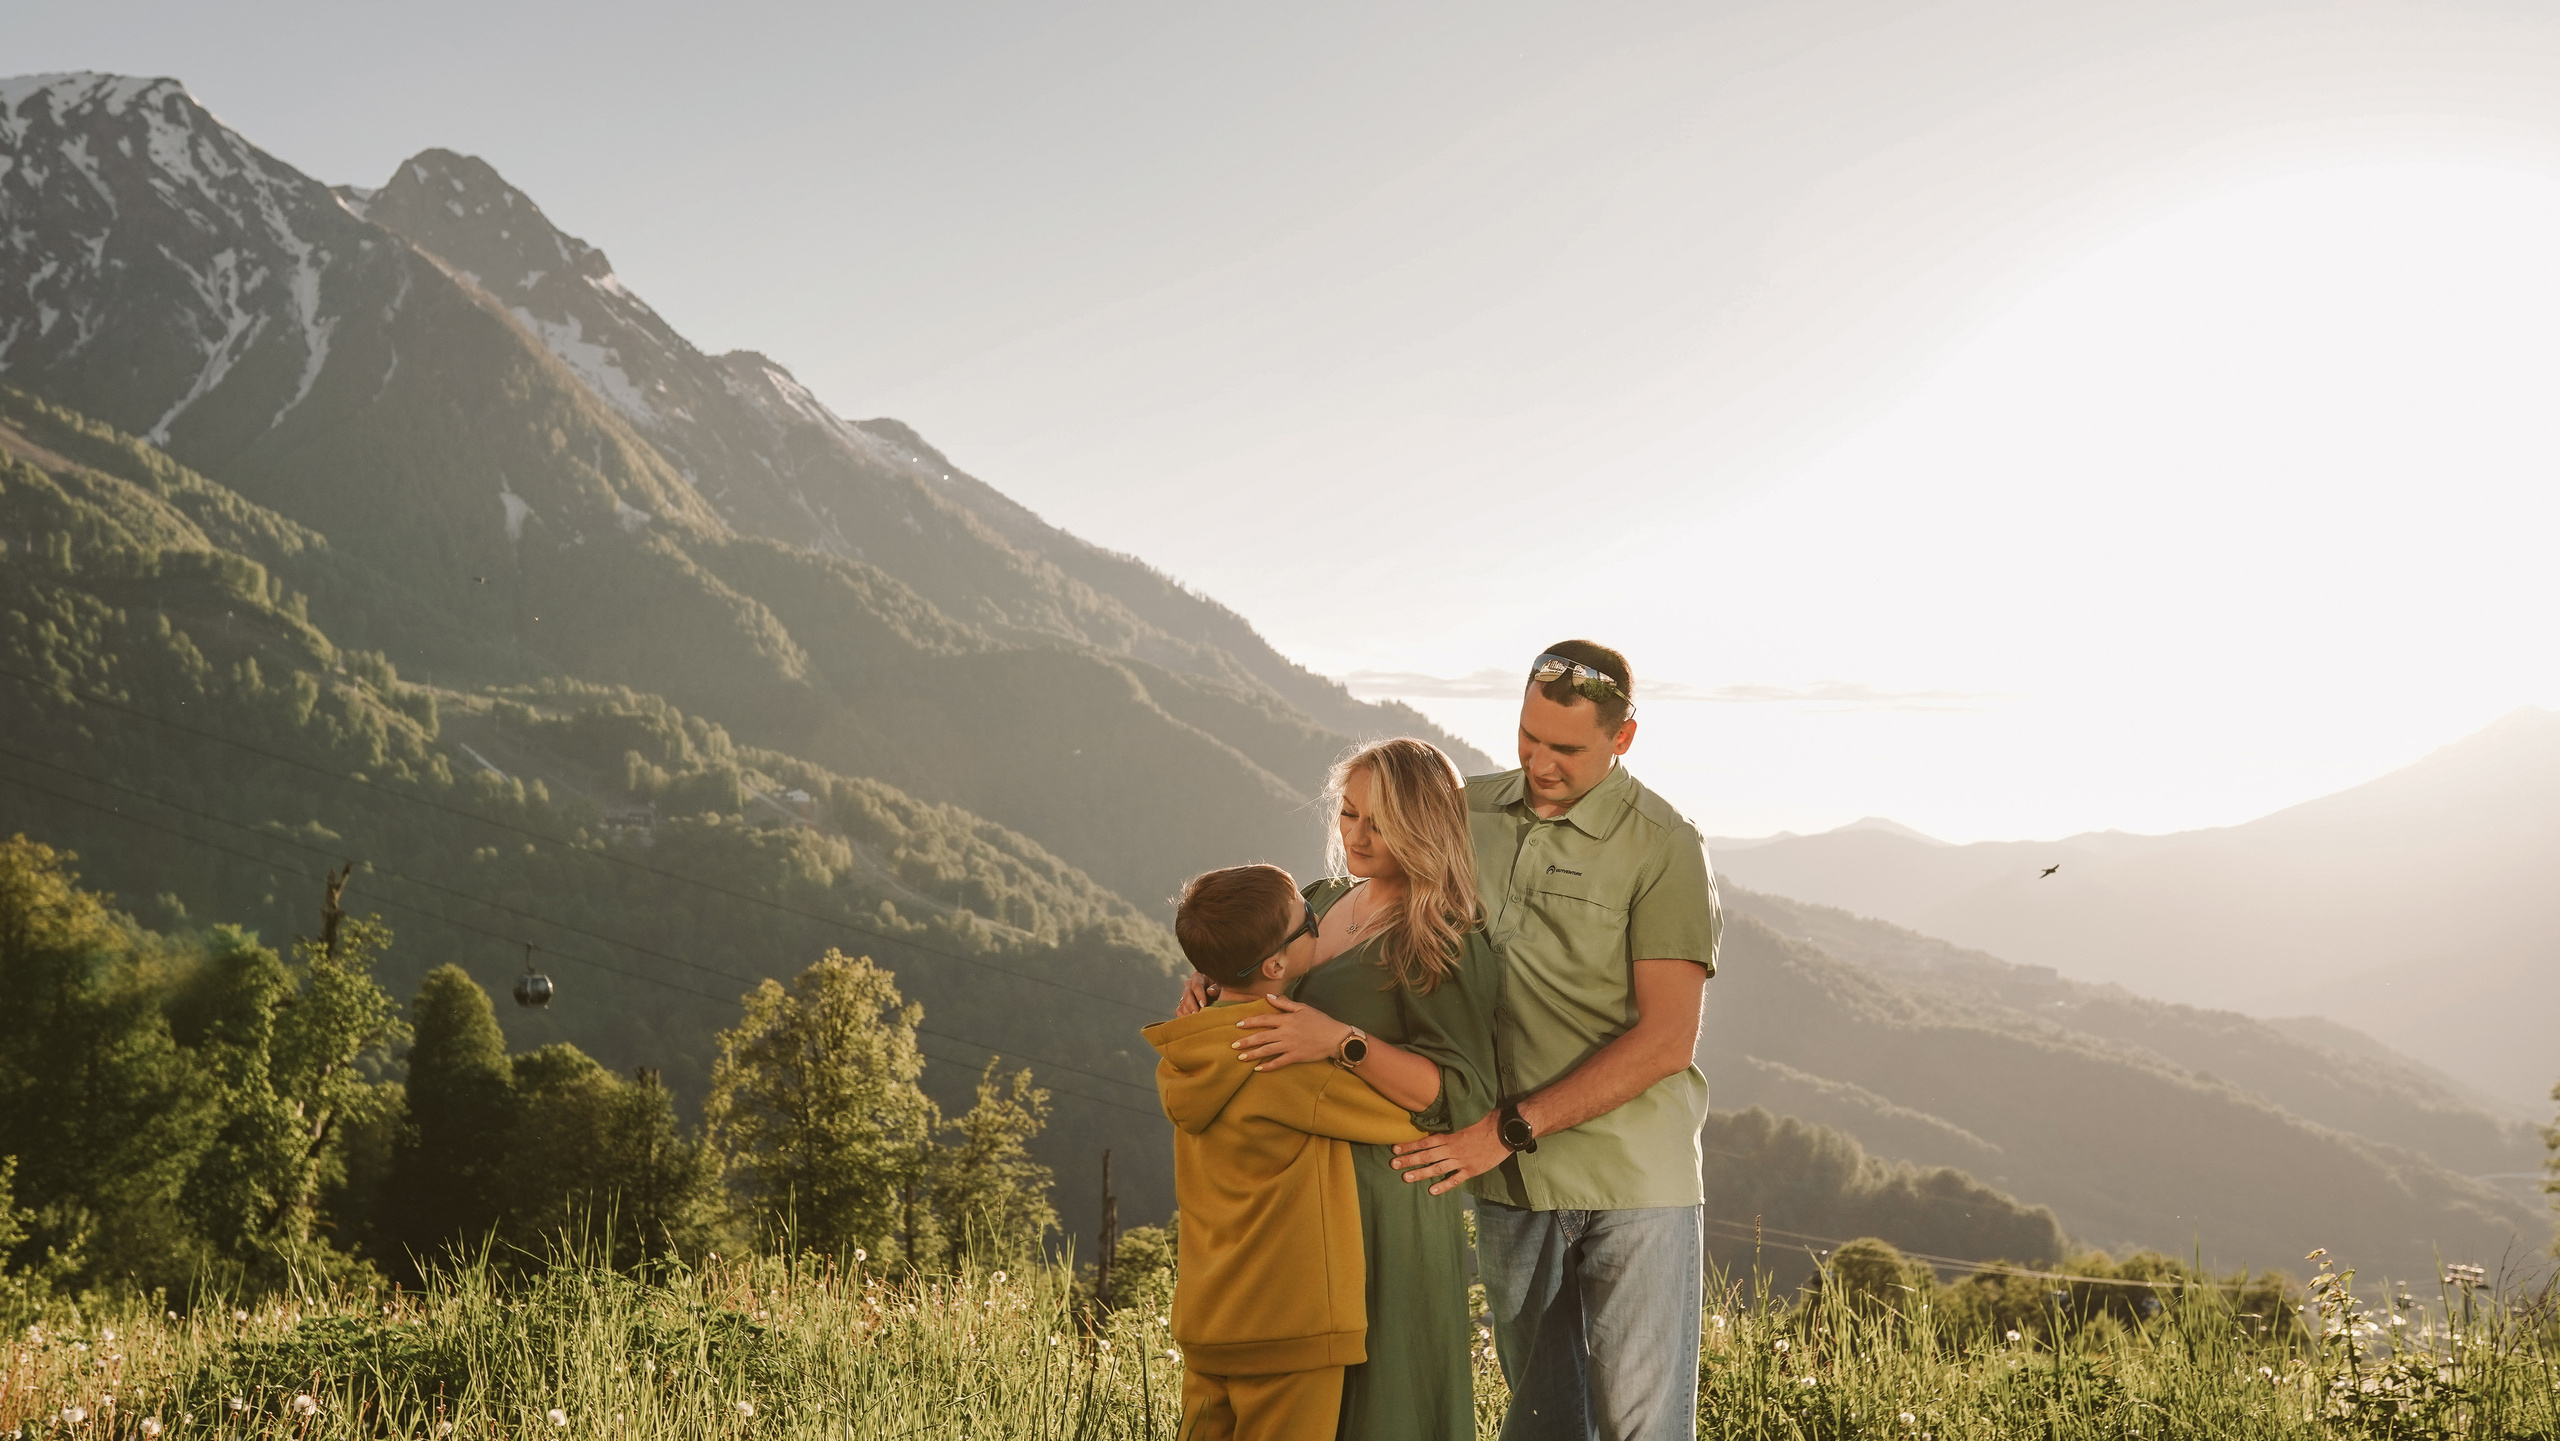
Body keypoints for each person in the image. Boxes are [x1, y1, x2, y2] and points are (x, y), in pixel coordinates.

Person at [1390, 640, 1722, 1441]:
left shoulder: (1665, 845)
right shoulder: (1462, 812)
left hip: (1630, 1179)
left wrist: (1506, 1129)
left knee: (1641, 1429)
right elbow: (1359, 895)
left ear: (1623, 738)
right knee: (1542, 1425)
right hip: (1510, 1184)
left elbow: (1667, 1039)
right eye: (1528, 736)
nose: (1540, 761)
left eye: (1566, 748)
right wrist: (1245, 971)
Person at [1215, 737, 1503, 1441]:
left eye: (1380, 820)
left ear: (1425, 823)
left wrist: (1342, 1041)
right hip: (1294, 1193)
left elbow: (1461, 1091)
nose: (1356, 834)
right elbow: (1261, 986)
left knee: (1380, 1406)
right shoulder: (1314, 903)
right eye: (1347, 813)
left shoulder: (1441, 936)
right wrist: (1217, 983)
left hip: (1385, 1201)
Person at [1144, 863, 1426, 1441]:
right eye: (1311, 922)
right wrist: (1346, 1041)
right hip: (1289, 1321)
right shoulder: (1285, 1058)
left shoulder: (1192, 1046)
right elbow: (1414, 1119)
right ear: (1274, 966)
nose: (1321, 925)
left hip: (1208, 1316)